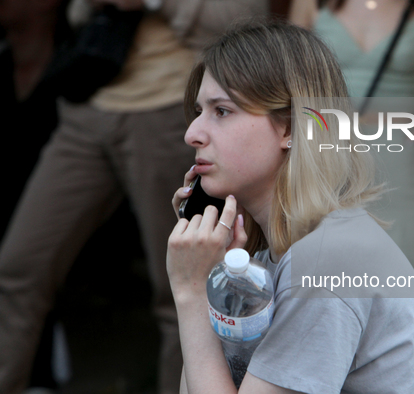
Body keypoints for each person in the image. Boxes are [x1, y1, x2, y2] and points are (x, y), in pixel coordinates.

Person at [0, 0, 268, 393]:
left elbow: (248, 19)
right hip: (89, 107)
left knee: (182, 285)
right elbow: (72, 15)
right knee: (16, 269)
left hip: (166, 112)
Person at [166, 20, 414, 393]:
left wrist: (192, 291)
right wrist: (213, 278)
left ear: (291, 127)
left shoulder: (326, 262)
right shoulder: (269, 260)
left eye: (222, 111)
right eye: (198, 111)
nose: (192, 133)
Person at [289, 0, 414, 278]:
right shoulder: (310, 2)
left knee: (403, 276)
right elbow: (288, 80)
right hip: (330, 150)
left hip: (400, 155)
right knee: (326, 272)